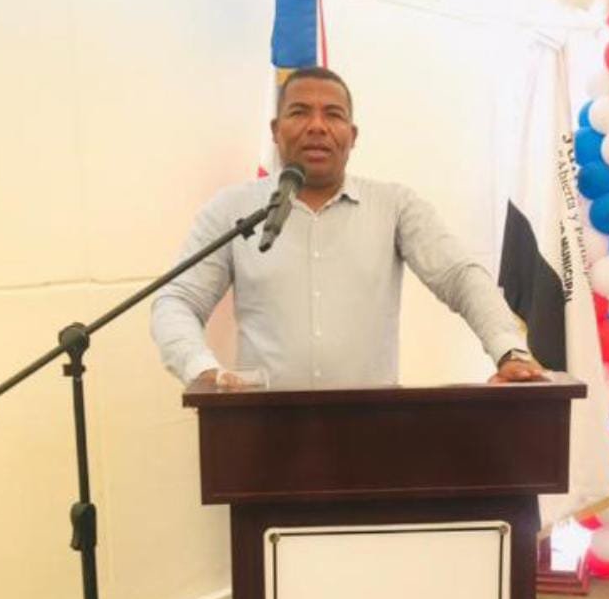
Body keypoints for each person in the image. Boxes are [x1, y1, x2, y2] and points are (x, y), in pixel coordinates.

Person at [150, 66, 546, 389]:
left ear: (352, 136)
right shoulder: (233, 209)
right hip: (263, 435)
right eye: (299, 112)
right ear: (275, 130)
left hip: (370, 433)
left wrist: (509, 351)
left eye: (333, 115)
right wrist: (201, 369)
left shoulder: (395, 206)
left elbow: (460, 277)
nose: (317, 126)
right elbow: (177, 300)